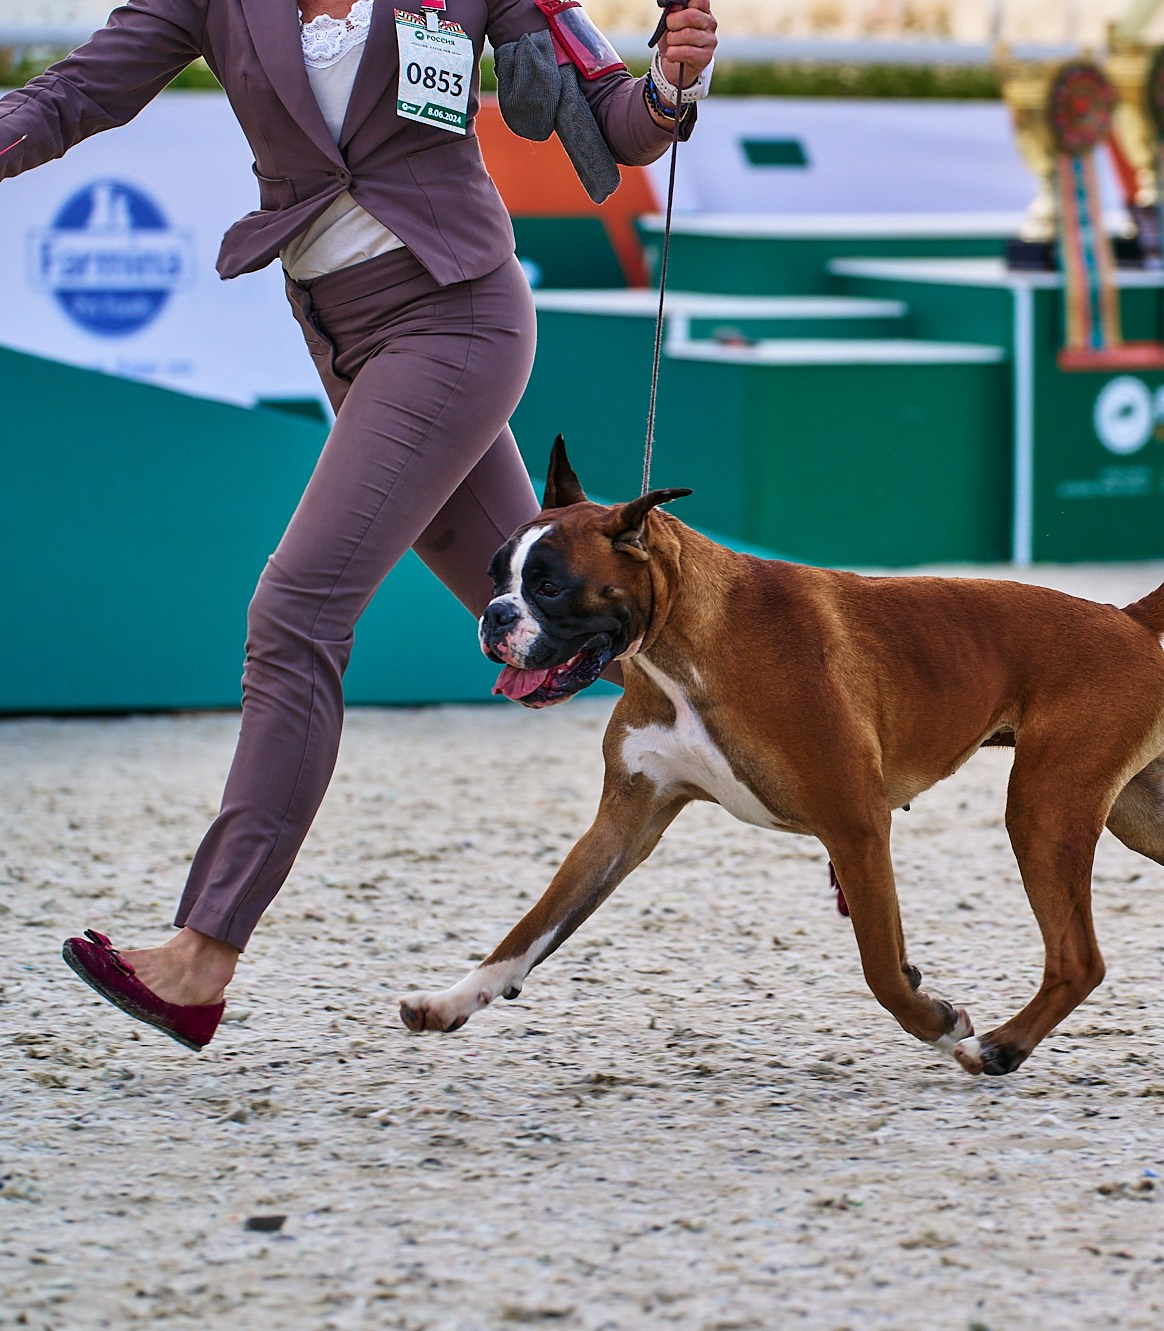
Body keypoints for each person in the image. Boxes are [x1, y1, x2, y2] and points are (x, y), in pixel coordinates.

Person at [0, 0, 717, 1049]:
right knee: (566, 625)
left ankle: (204, 953)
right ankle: (828, 757)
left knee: (295, 615)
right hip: (344, 334)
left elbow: (611, 116)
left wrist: (670, 86)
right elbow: (75, 94)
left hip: (458, 316)